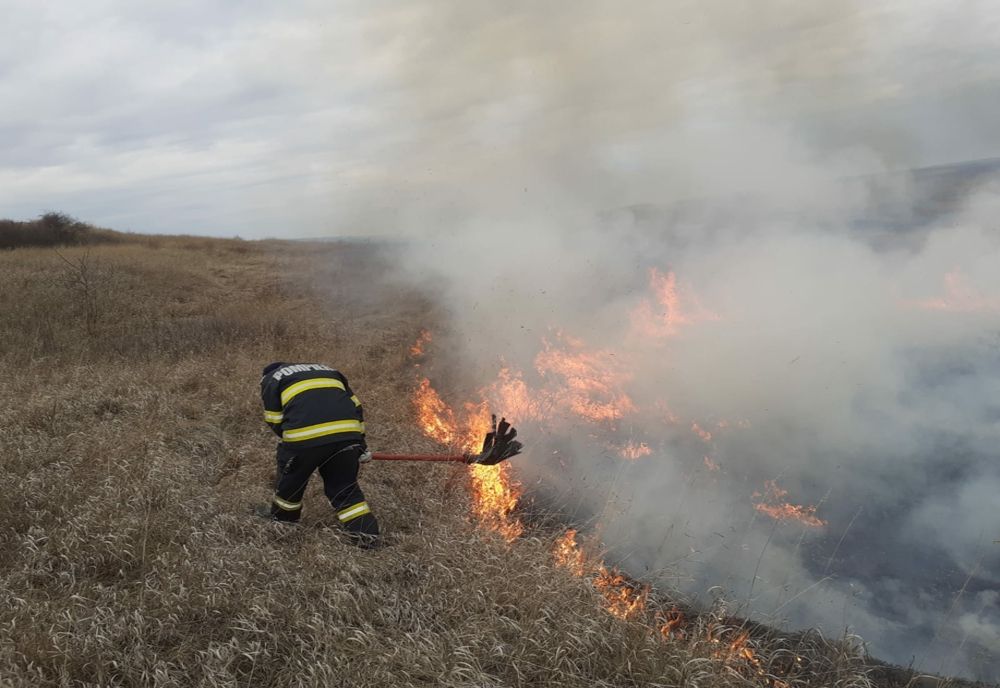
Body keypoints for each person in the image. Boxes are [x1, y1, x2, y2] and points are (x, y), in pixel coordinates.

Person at [257, 361, 380, 547]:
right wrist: (360, 444)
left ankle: (283, 526)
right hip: (347, 435)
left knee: (290, 487)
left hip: (304, 439)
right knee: (345, 488)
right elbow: (356, 407)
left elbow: (274, 418)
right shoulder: (330, 370)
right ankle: (367, 538)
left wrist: (294, 445)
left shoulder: (272, 378)